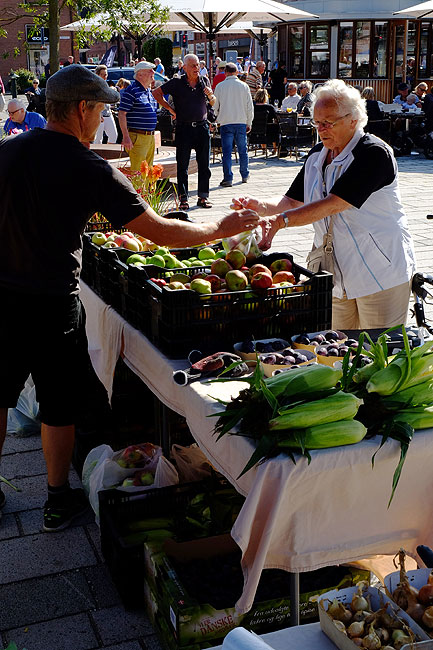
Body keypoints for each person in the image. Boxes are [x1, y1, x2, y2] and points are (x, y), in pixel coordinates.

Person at [0, 63, 259, 530]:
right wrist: (219, 228)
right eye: (99, 109)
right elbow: (158, 233)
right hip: (52, 300)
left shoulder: (7, 153)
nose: (102, 117)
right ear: (81, 109)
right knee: (58, 404)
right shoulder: (87, 166)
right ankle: (57, 499)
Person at [233, 78, 416, 330]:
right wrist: (260, 206)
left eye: (329, 123)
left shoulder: (373, 153)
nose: (321, 129)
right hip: (334, 272)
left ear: (353, 119)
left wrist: (282, 222)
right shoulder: (318, 154)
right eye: (317, 122)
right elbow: (292, 199)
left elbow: (333, 204)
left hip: (379, 272)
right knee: (338, 351)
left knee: (378, 353)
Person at [153, 53, 216, 210]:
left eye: (198, 65)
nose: (197, 68)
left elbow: (213, 102)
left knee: (204, 165)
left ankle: (203, 197)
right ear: (184, 67)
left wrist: (211, 95)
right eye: (193, 65)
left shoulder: (204, 81)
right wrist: (170, 109)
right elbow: (156, 93)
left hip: (202, 127)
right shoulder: (176, 82)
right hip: (184, 128)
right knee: (182, 166)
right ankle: (183, 199)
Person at [213, 62, 253, 187]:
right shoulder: (244, 86)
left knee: (227, 151)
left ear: (225, 73)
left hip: (226, 122)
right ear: (236, 72)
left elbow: (215, 106)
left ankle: (228, 178)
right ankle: (245, 174)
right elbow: (249, 106)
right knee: (243, 150)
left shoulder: (220, 86)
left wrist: (215, 119)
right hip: (241, 121)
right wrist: (249, 122)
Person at [118, 60, 158, 169]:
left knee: (149, 174)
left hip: (149, 137)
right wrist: (126, 137)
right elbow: (121, 114)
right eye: (150, 71)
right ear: (140, 74)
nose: (153, 73)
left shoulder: (148, 91)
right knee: (138, 174)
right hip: (137, 137)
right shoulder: (131, 90)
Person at [93, 65, 118, 145]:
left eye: (106, 74)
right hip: (98, 115)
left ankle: (108, 153)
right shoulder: (94, 87)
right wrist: (98, 114)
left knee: (113, 135)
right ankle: (98, 155)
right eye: (103, 75)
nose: (105, 77)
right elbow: (93, 102)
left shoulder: (106, 85)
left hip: (108, 113)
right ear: (97, 74)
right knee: (98, 138)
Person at [253, 88, 279, 155]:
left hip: (255, 129)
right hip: (268, 130)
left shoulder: (253, 107)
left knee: (261, 127)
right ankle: (275, 148)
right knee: (275, 127)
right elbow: (276, 118)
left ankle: (264, 148)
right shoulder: (269, 107)